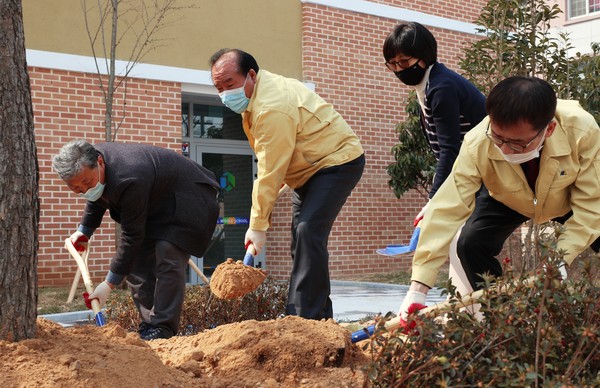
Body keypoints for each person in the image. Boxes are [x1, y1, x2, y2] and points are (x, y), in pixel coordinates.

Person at [398, 76, 600, 321]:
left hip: (565, 196)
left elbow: (592, 206)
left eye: (516, 143)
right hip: (507, 197)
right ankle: (503, 319)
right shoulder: (478, 141)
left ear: (548, 129)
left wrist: (558, 257)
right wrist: (418, 288)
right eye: (498, 138)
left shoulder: (581, 131)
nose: (504, 150)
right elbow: (447, 208)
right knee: (470, 244)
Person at [209, 48, 365, 320]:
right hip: (308, 170)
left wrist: (257, 227)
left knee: (308, 232)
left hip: (336, 162)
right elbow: (278, 158)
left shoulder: (271, 106)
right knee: (301, 241)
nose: (224, 94)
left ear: (251, 75)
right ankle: (306, 314)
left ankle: (307, 317)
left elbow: (268, 169)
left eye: (229, 84)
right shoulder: (256, 98)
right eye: (218, 87)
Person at [52, 140, 219, 340]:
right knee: (136, 262)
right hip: (155, 203)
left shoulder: (128, 175)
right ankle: (149, 325)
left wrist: (108, 284)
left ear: (100, 162)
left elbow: (132, 236)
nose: (85, 190)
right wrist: (84, 231)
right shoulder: (91, 165)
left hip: (189, 197)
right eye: (76, 189)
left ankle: (162, 327)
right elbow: (95, 198)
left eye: (87, 183)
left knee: (168, 254)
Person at [383, 22, 486, 294]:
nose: (399, 70)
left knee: (462, 243)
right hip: (470, 171)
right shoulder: (428, 85)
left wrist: (433, 200)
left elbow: (450, 149)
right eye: (392, 64)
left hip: (487, 171)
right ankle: (464, 309)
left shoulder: (441, 87)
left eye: (404, 62)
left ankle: (472, 310)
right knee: (457, 243)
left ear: (424, 56)